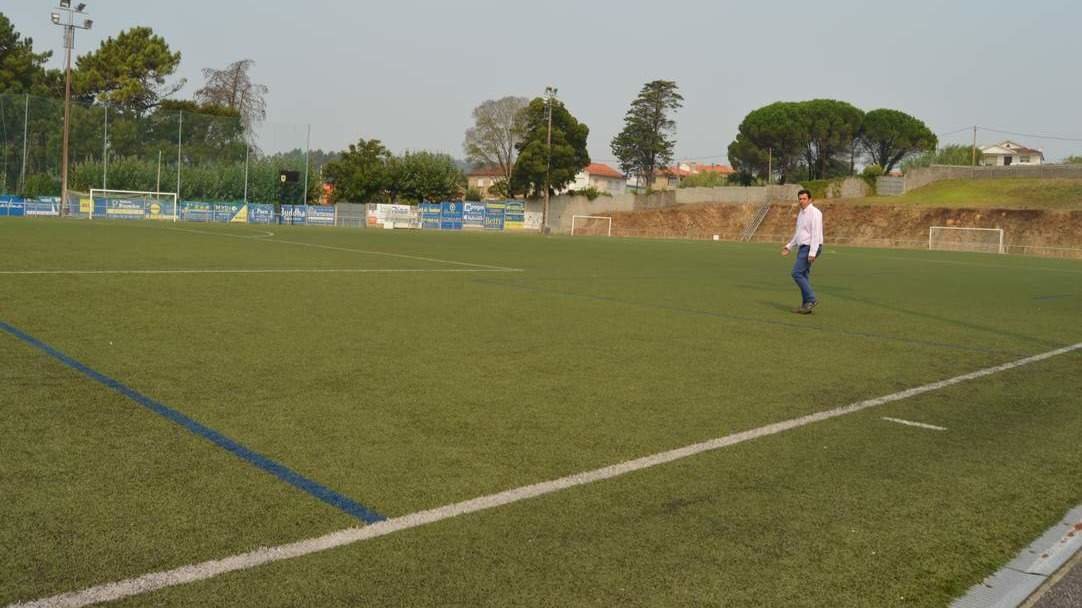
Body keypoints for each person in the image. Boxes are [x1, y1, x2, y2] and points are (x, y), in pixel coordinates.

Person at [781, 189, 823, 314]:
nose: (802, 201)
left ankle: (811, 299)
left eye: (804, 199)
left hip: (810, 247)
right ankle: (806, 305)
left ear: (810, 199)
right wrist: (789, 246)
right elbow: (799, 233)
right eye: (800, 199)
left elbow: (815, 233)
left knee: (796, 273)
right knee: (803, 275)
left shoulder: (815, 213)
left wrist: (812, 252)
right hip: (803, 247)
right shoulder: (801, 213)